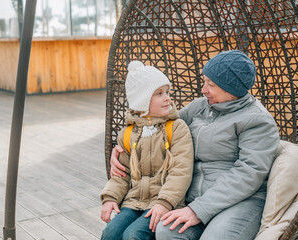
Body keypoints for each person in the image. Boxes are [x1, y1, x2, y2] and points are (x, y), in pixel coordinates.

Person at [110, 50, 280, 240]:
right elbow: (158, 131)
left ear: (231, 89)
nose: (203, 89)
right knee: (166, 230)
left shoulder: (257, 121)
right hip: (192, 197)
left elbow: (249, 173)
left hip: (240, 201)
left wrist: (198, 209)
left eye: (211, 85)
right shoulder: (200, 107)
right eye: (204, 81)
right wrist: (120, 150)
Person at [100, 61, 194, 240]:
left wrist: (165, 202)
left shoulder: (176, 128)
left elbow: (181, 171)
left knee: (134, 235)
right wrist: (110, 198)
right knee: (110, 234)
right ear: (142, 101)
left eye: (167, 92)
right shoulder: (128, 134)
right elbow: (121, 174)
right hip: (133, 201)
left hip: (164, 202)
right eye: (159, 93)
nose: (167, 98)